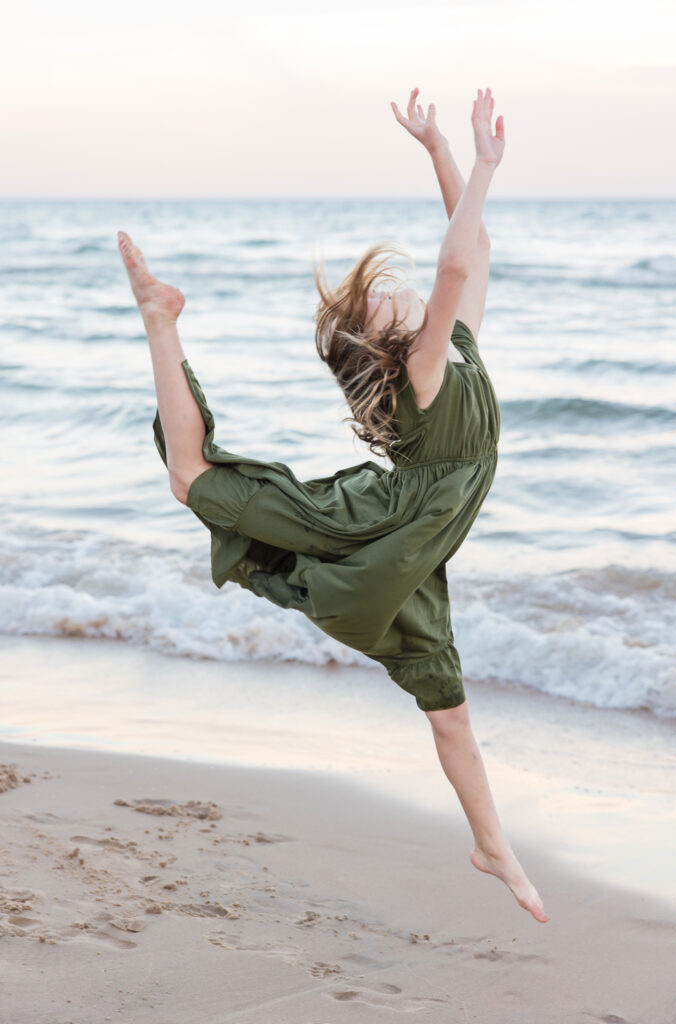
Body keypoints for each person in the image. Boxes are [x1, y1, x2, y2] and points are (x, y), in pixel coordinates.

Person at [117, 87, 549, 924]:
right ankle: (160, 323)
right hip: (370, 525)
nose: (403, 292)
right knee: (189, 477)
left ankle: (491, 844)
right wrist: (486, 165)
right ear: (393, 346)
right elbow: (456, 261)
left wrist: (436, 151)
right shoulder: (425, 374)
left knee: (447, 705)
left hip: (412, 548)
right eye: (388, 303)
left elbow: (474, 251)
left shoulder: (453, 348)